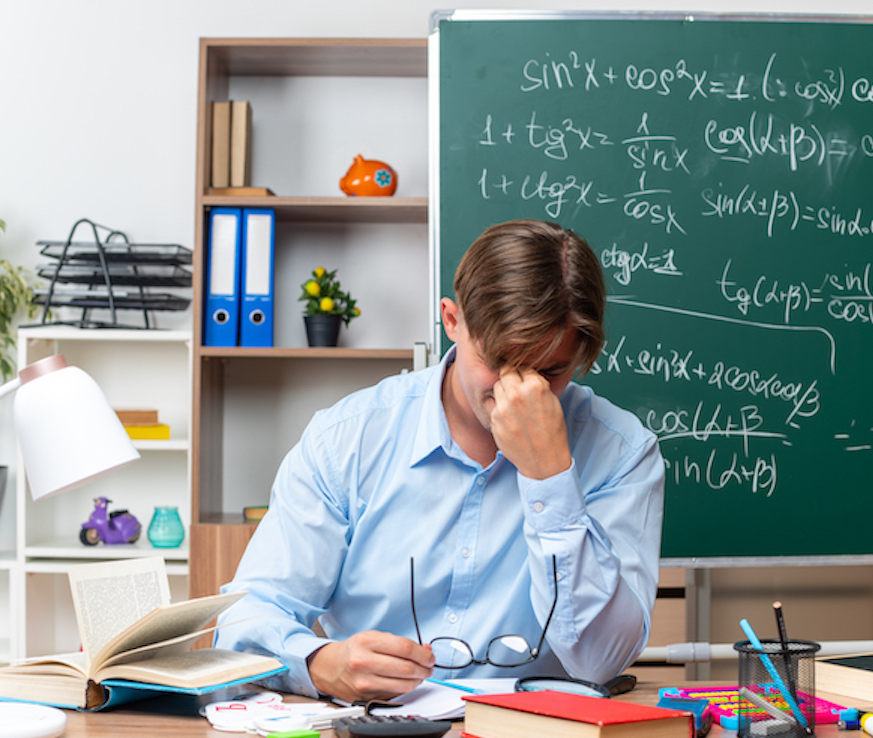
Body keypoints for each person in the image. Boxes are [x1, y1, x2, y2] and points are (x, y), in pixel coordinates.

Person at [214, 219, 664, 702]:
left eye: (550, 371)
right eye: (498, 363)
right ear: (452, 321)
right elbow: (245, 621)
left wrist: (550, 476)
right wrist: (321, 665)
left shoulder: (622, 453)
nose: (520, 392)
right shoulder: (347, 439)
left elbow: (598, 661)